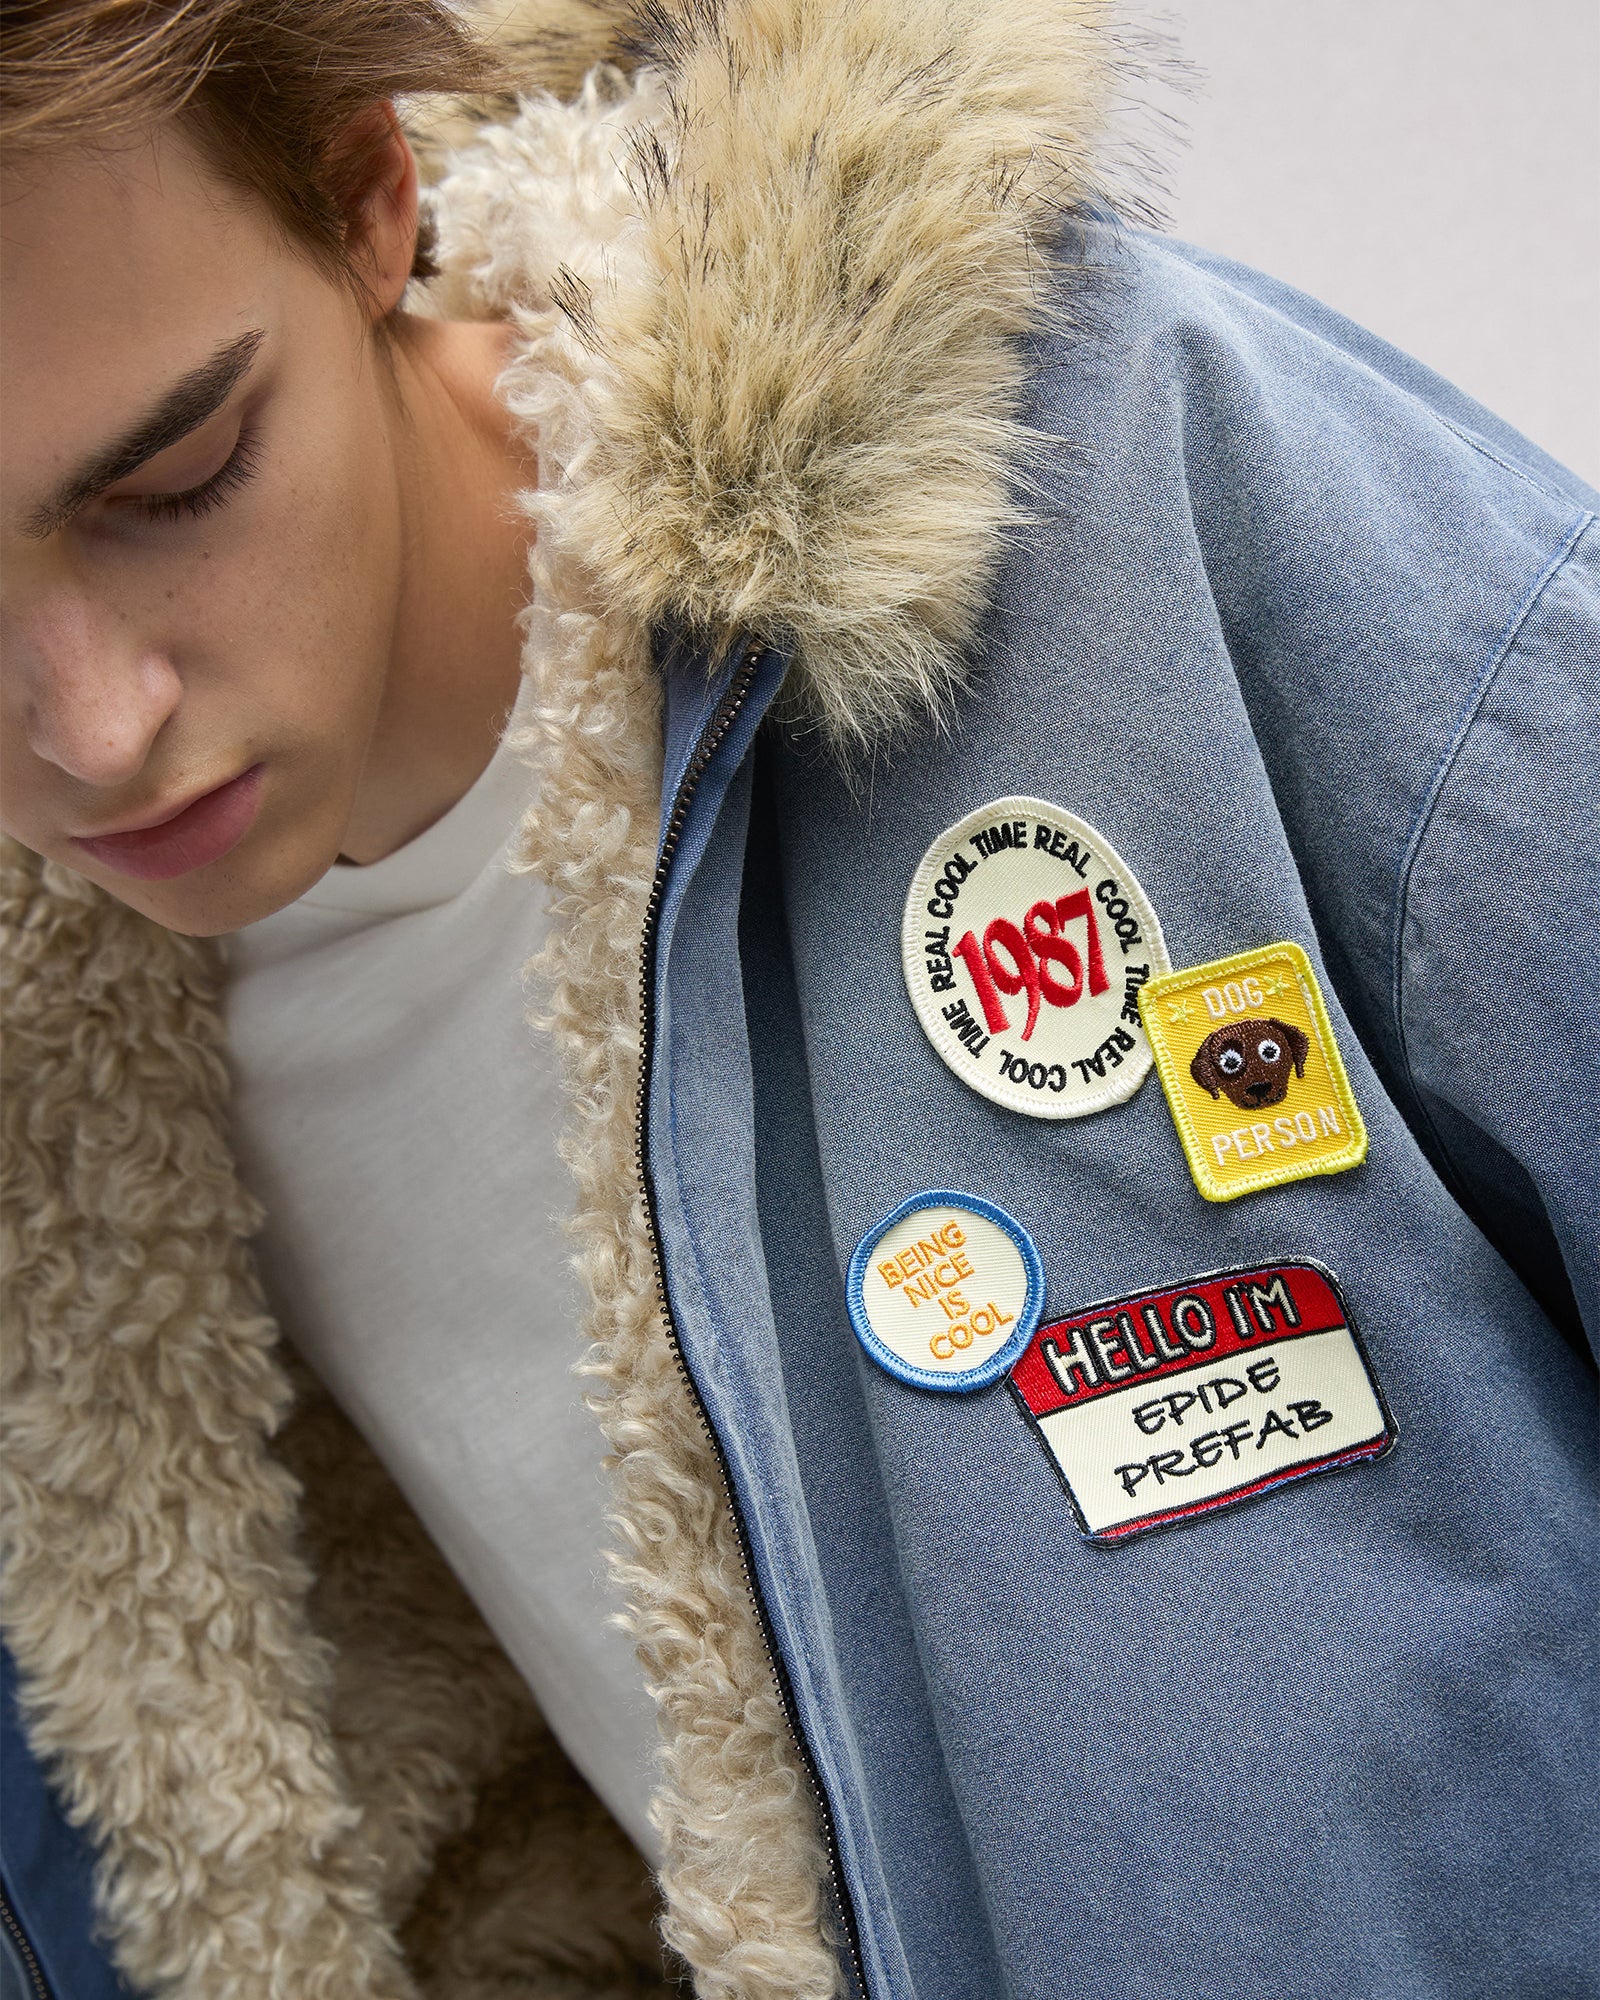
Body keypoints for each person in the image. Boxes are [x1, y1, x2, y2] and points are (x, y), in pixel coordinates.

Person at [1, 0, 1594, 1995]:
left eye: (179, 479)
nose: (94, 726)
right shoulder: (57, 1104)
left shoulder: (1118, 487)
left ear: (365, 196)